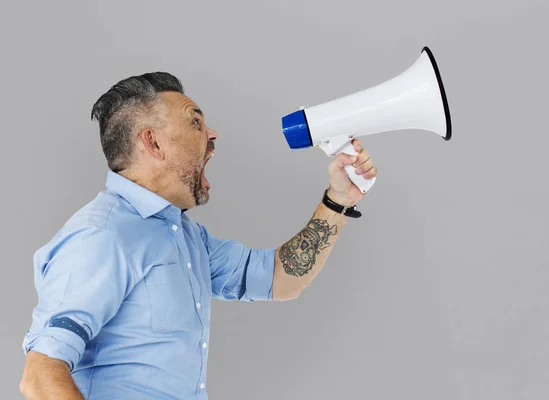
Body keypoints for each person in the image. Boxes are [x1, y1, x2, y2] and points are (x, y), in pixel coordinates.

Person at [19, 72, 378, 400]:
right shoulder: (101, 236)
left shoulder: (185, 237)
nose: (213, 135)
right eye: (195, 122)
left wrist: (338, 200)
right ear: (154, 143)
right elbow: (40, 375)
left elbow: (281, 279)